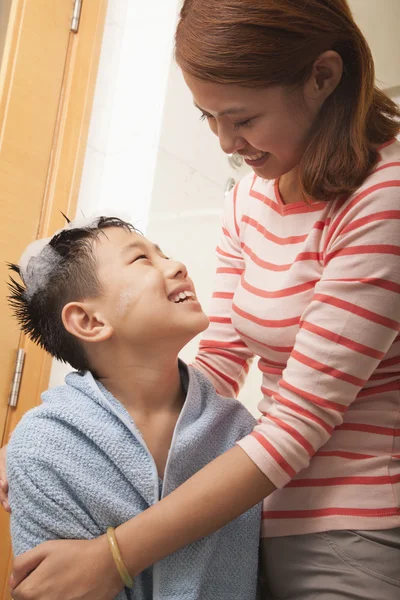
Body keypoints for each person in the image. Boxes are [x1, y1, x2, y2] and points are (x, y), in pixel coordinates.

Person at [1, 0, 400, 598]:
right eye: (206, 117)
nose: (225, 143)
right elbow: (221, 357)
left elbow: (298, 422)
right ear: (86, 320)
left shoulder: (384, 196)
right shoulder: (248, 198)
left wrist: (115, 557)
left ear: (322, 76)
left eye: (240, 117)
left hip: (354, 521)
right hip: (254, 510)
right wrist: (57, 431)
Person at [5, 216, 261, 600]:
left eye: (165, 254)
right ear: (89, 321)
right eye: (142, 259)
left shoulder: (239, 432)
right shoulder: (43, 450)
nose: (177, 266)